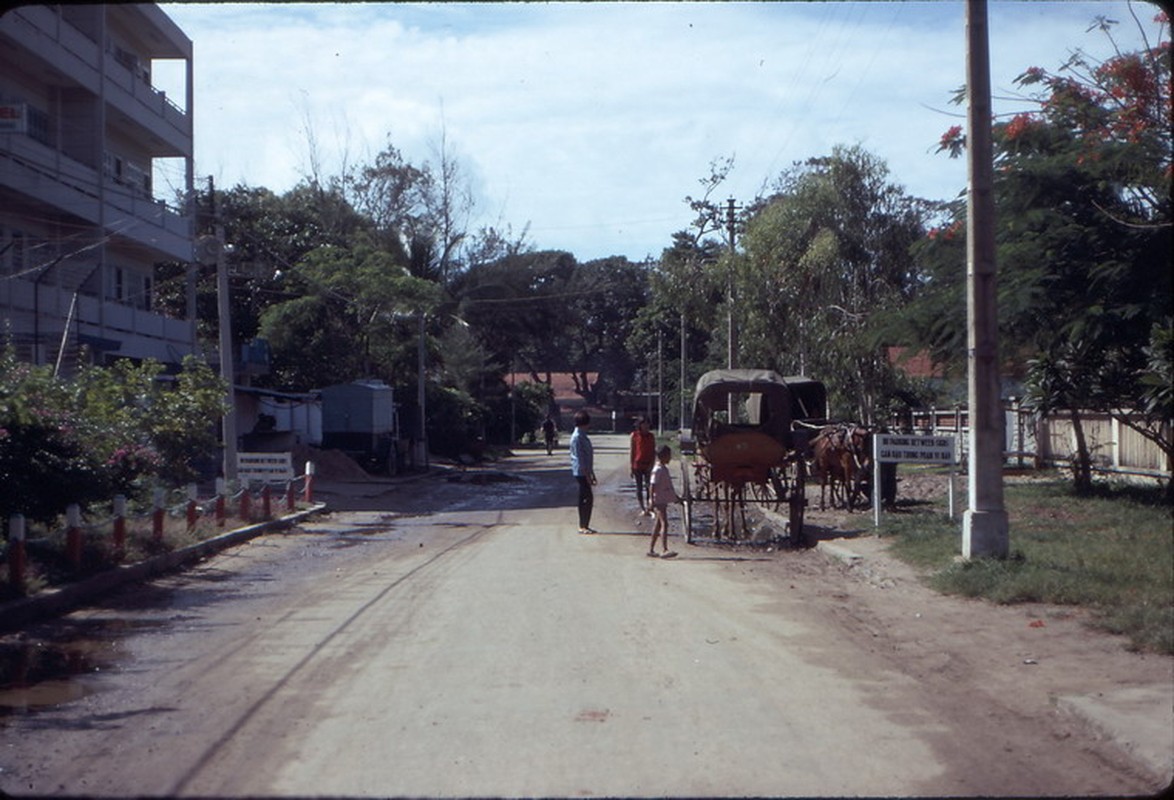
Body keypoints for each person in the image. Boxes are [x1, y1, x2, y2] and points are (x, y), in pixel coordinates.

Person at [648, 445, 680, 558]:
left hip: (662, 499)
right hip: (659, 500)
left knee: (657, 525)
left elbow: (668, 486)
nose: (670, 458)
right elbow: (652, 485)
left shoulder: (663, 468)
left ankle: (651, 549)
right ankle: (664, 549)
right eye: (669, 456)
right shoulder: (658, 470)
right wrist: (651, 500)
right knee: (664, 523)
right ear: (664, 457)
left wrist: (676, 498)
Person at [569, 410, 597, 534]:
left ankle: (585, 525)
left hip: (584, 471)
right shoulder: (577, 437)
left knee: (586, 497)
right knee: (586, 498)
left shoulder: (582, 435)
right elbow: (580, 459)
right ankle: (582, 526)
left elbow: (587, 457)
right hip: (580, 472)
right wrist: (587, 476)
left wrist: (592, 473)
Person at [629, 417, 656, 516]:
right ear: (639, 425)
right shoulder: (634, 436)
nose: (646, 426)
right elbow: (633, 452)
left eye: (647, 424)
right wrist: (631, 466)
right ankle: (642, 508)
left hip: (648, 464)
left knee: (649, 486)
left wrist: (652, 465)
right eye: (644, 424)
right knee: (639, 488)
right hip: (637, 465)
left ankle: (650, 507)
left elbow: (653, 451)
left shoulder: (651, 436)